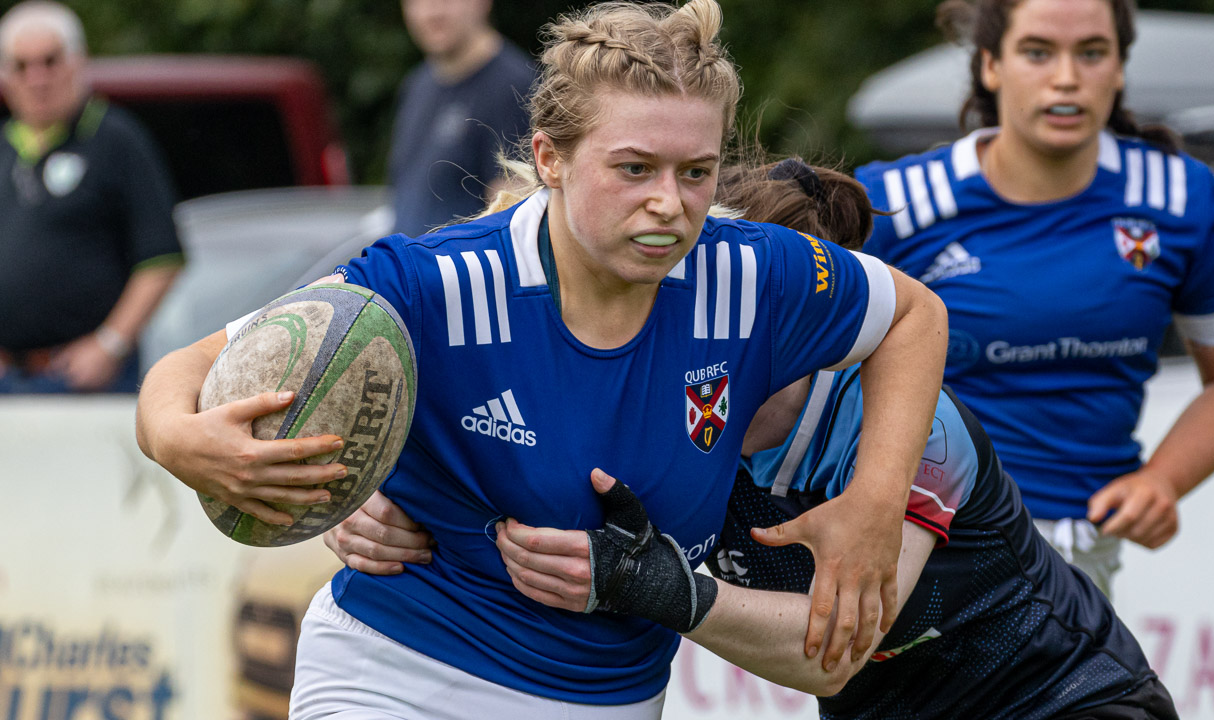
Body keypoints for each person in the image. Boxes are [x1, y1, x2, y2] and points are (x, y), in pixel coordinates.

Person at [134, 2, 949, 717]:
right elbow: (190, 367)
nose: (670, 202)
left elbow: (915, 314)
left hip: (609, 699)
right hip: (392, 669)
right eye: (634, 169)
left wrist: (875, 507)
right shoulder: (439, 283)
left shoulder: (751, 273)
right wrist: (175, 438)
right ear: (550, 159)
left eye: (695, 172)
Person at [331, 158, 1180, 718]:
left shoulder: (906, 428)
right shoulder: (647, 397)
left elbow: (831, 656)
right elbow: (487, 420)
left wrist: (663, 591)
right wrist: (369, 499)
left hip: (1064, 697)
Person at [853, 0, 1214, 595]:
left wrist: (1162, 482)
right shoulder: (898, 199)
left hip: (1082, 557)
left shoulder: (1179, 198)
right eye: (1038, 52)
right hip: (925, 540)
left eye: (1092, 52)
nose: (1068, 77)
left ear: (1120, 68)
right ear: (991, 65)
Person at [0, 0, 184, 393]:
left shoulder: (116, 138)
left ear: (77, 61)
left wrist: (110, 345)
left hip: (89, 377)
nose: (37, 77)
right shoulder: (3, 147)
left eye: (50, 61)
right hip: (9, 378)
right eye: (21, 65)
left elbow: (162, 258)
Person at [390, 0, 536, 235]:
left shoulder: (515, 89)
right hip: (408, 269)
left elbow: (515, 223)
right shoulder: (416, 86)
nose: (431, 12)